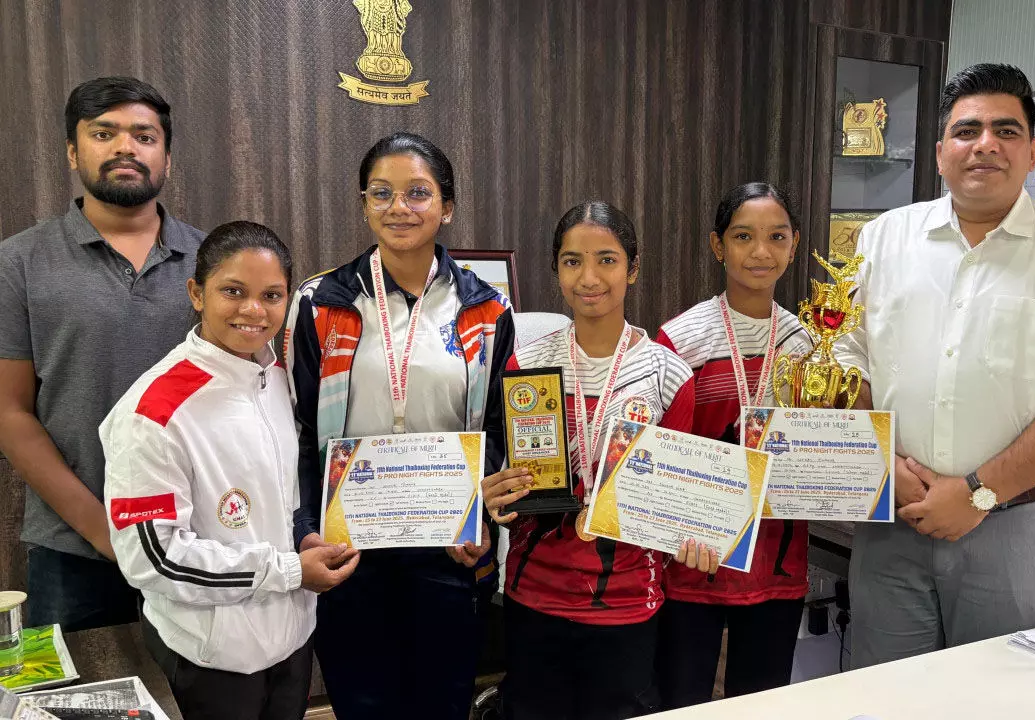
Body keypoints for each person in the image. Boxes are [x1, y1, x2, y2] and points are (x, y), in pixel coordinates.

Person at [843, 63, 1035, 667]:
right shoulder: (882, 239)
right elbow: (849, 358)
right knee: (883, 696)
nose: (985, 144)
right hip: (893, 514)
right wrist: (886, 464)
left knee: (999, 697)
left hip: (1015, 528)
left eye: (1006, 131)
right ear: (940, 153)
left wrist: (978, 493)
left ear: (1032, 152)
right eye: (966, 130)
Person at [286, 132, 517, 719]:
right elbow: (300, 431)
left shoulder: (487, 308)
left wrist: (478, 517)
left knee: (441, 702)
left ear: (447, 207)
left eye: (417, 192)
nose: (399, 207)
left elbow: (499, 428)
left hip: (448, 546)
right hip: (349, 545)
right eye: (381, 193)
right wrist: (307, 529)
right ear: (364, 203)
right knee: (362, 702)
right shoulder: (320, 302)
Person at [99, 221, 359, 720]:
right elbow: (153, 558)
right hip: (212, 657)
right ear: (197, 294)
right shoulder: (152, 412)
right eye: (233, 291)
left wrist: (303, 538)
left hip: (292, 642)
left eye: (271, 295)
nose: (254, 310)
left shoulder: (277, 377)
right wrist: (288, 570)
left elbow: (281, 498)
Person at [482, 201, 710, 720]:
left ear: (633, 268)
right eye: (572, 261)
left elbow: (677, 496)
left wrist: (698, 532)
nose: (589, 278)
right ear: (556, 270)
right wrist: (498, 498)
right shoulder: (526, 363)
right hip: (533, 595)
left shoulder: (668, 375)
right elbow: (512, 483)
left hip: (626, 602)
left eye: (607, 259)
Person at [0, 76, 205, 631]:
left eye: (144, 136)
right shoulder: (18, 262)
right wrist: (103, 529)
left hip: (199, 537)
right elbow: (10, 413)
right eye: (103, 133)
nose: (124, 148)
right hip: (76, 547)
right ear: (73, 151)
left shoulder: (214, 262)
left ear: (167, 157)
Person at [653, 182, 814, 707]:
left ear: (794, 244)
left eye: (777, 237)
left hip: (777, 562)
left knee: (762, 704)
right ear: (718, 245)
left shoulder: (807, 344)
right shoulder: (681, 339)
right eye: (743, 236)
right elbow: (661, 456)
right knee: (681, 702)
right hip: (694, 560)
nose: (761, 252)